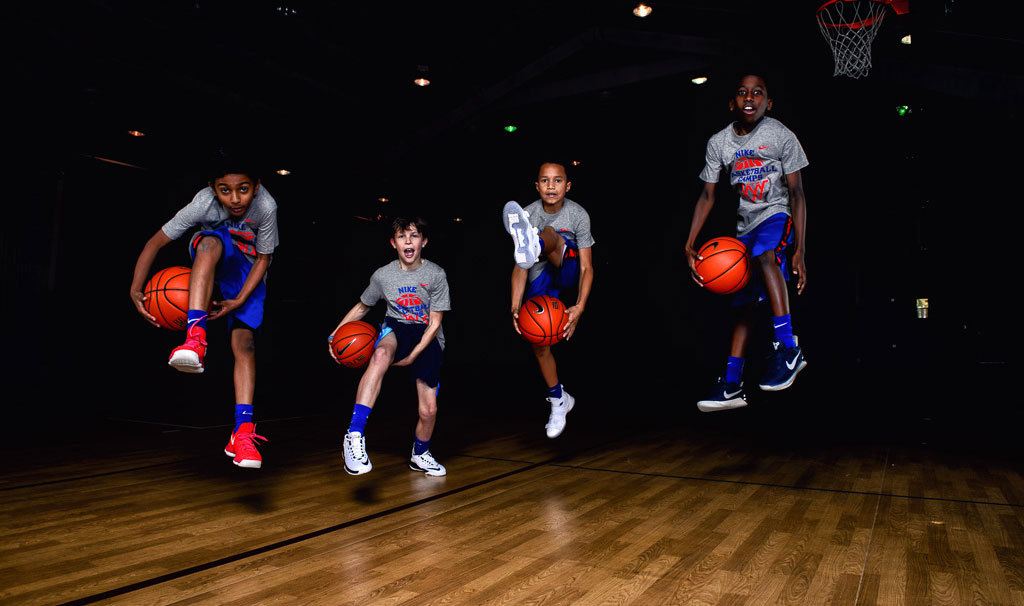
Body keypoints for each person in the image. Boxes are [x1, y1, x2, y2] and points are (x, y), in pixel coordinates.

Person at [129, 149, 279, 467]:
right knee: (209, 241)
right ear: (213, 187)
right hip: (216, 254)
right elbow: (155, 241)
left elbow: (264, 259)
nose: (235, 198)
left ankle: (242, 432)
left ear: (257, 186)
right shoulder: (203, 203)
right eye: (225, 190)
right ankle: (194, 338)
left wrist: (239, 300)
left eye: (244, 189)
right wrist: (135, 288)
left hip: (248, 270)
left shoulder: (266, 207)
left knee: (245, 344)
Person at [685, 74, 809, 412]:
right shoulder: (719, 143)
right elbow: (707, 195)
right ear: (732, 103)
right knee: (744, 307)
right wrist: (689, 242)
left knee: (767, 256)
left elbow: (797, 193)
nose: (749, 97)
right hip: (744, 230)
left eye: (758, 93)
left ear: (768, 102)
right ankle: (732, 384)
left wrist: (799, 249)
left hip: (777, 217)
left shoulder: (781, 135)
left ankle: (787, 347)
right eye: (742, 92)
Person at [331, 217, 450, 477]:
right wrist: (336, 334)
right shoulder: (383, 275)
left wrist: (413, 356)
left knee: (428, 410)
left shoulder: (436, 274)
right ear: (393, 243)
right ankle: (353, 435)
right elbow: (363, 306)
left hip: (426, 334)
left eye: (414, 235)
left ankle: (420, 454)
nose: (408, 241)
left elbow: (435, 322)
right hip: (395, 327)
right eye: (401, 236)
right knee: (381, 354)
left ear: (424, 242)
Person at [502, 162, 595, 438]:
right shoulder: (527, 212)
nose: (551, 186)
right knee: (538, 341)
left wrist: (580, 305)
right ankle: (559, 399)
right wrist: (515, 305)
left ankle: (539, 243)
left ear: (567, 186)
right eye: (545, 181)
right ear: (537, 186)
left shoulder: (578, 214)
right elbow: (520, 266)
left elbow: (588, 267)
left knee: (552, 233)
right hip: (542, 280)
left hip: (567, 270)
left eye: (557, 181)